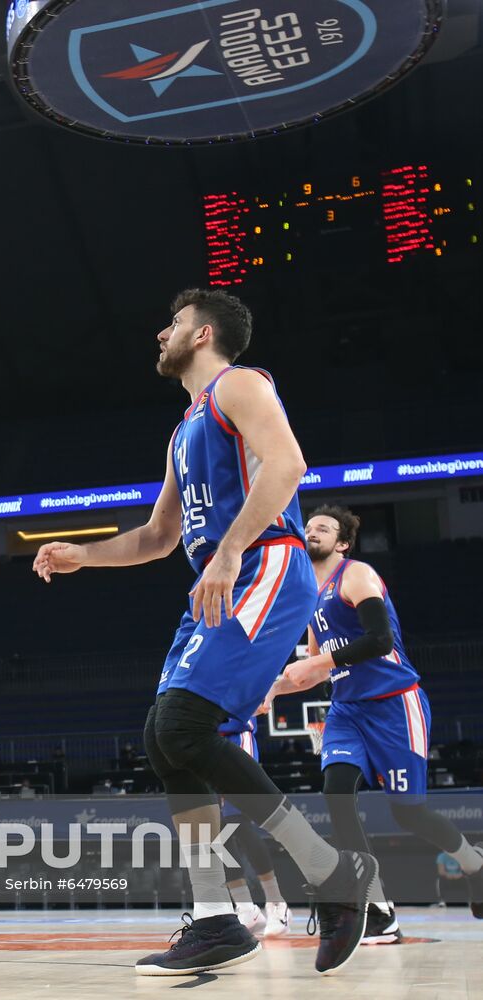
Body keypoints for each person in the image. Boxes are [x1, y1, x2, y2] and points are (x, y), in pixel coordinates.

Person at [33, 290, 376, 977]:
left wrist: (227, 553)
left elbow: (287, 467)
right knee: (166, 739)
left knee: (185, 726)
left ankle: (332, 874)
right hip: (217, 576)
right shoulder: (182, 428)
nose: (162, 331)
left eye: (175, 322)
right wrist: (85, 555)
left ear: (204, 333)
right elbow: (159, 536)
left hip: (264, 562)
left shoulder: (240, 384)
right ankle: (216, 916)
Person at [261, 505, 483, 937]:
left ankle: (476, 865)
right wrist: (270, 689)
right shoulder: (308, 595)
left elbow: (379, 641)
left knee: (410, 815)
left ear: (341, 543)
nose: (312, 532)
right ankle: (378, 909)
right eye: (308, 527)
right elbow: (315, 668)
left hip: (395, 704)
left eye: (322, 528)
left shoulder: (356, 574)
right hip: (346, 710)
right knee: (337, 794)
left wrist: (320, 659)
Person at [216, 716, 290, 938]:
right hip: (204, 745)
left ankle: (277, 903)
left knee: (237, 823)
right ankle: (246, 908)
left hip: (235, 739)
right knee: (218, 833)